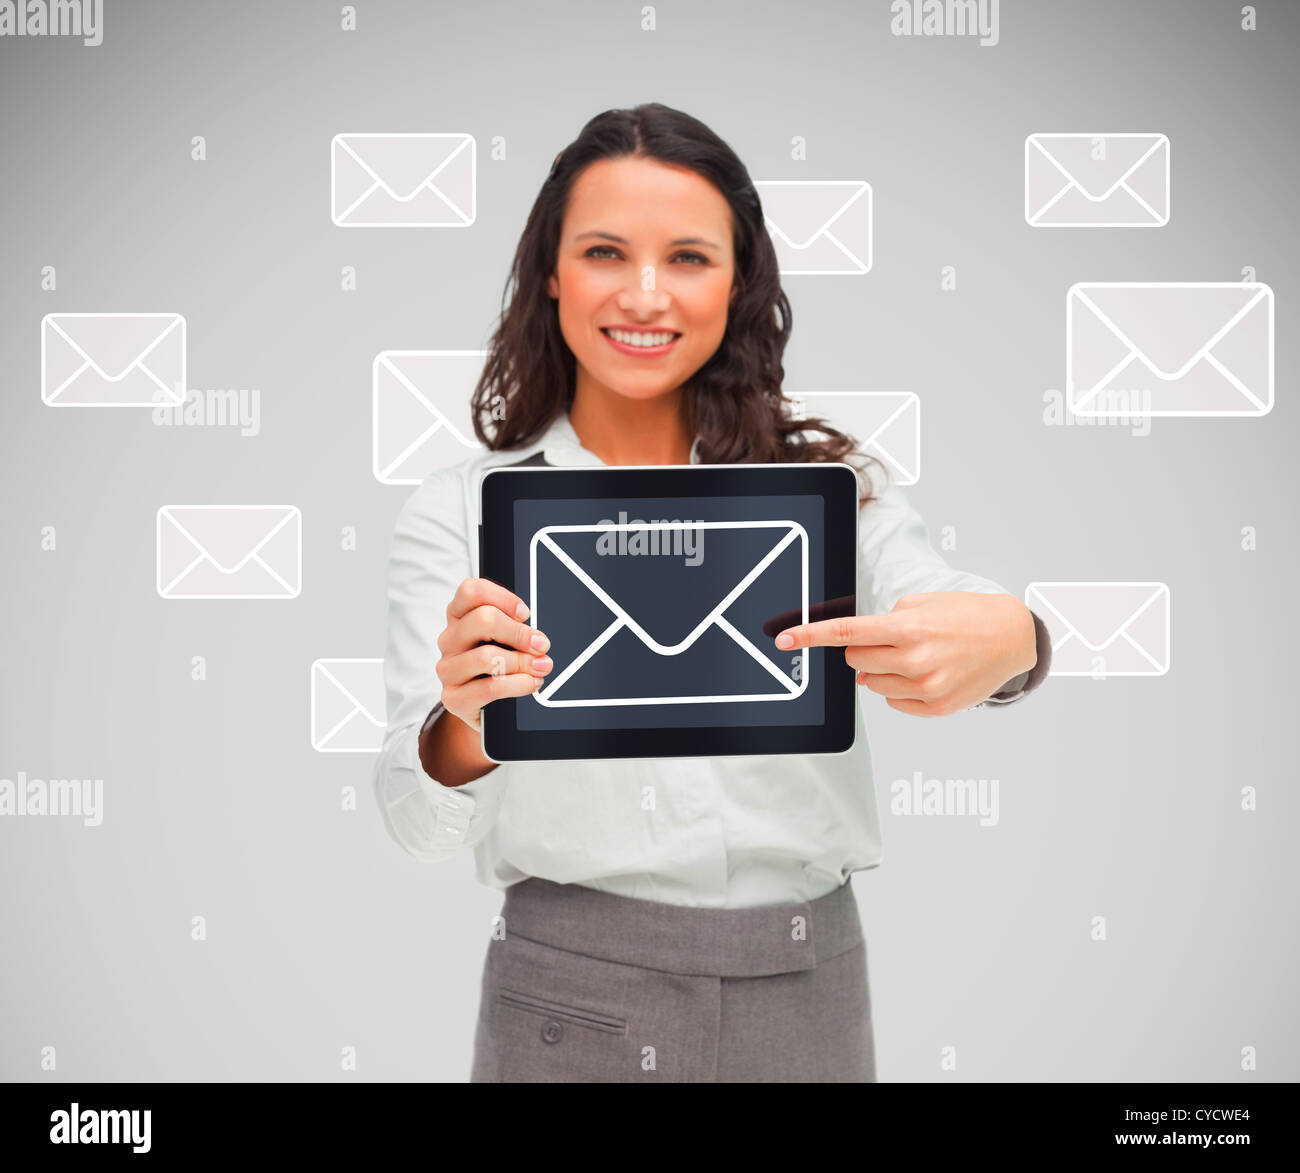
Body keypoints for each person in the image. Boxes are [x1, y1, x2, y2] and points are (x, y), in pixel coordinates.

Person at [372, 102, 1051, 1083]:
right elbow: (409, 816)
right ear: (550, 275)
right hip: (568, 995)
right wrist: (469, 720)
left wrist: (1015, 640)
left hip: (806, 985)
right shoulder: (461, 512)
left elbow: (944, 605)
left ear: (738, 284)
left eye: (688, 257)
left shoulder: (834, 495)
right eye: (606, 251)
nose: (645, 295)